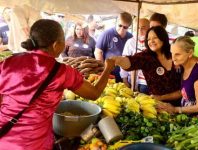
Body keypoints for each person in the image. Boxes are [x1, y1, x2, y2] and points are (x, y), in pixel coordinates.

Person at [0, 19, 115, 150]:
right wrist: (107, 69)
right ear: (56, 45)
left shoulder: (7, 63)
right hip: (36, 144)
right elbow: (94, 93)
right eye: (63, 41)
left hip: (3, 139)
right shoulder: (62, 72)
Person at [112, 26, 182, 106]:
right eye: (148, 39)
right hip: (158, 106)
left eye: (155, 38)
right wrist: (117, 60)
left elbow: (189, 60)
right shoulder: (146, 56)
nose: (151, 41)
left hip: (180, 105)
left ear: (163, 38)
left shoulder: (174, 52)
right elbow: (130, 62)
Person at [156, 36, 198, 125]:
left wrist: (175, 109)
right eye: (172, 53)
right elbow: (182, 92)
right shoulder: (184, 65)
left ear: (190, 53)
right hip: (188, 114)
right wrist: (160, 97)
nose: (173, 58)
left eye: (178, 54)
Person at [94, 12, 133, 82]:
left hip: (126, 74)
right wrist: (104, 70)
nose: (122, 29)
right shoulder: (107, 34)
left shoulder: (130, 37)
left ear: (129, 27)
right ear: (116, 22)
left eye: (125, 27)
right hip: (110, 72)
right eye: (120, 25)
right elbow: (98, 52)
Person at [120, 18, 150, 94]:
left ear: (149, 29)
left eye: (143, 28)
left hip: (147, 83)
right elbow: (123, 61)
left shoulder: (152, 43)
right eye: (137, 28)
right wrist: (125, 80)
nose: (140, 30)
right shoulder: (130, 42)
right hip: (132, 81)